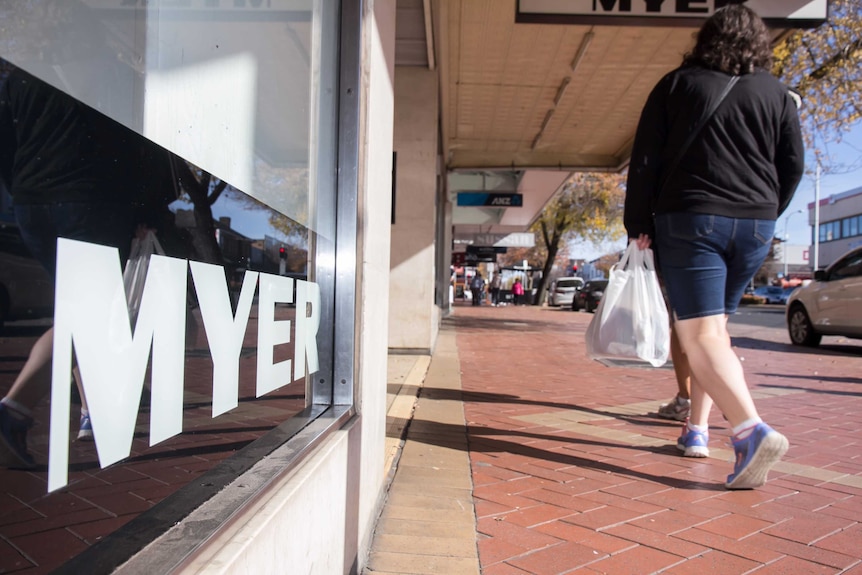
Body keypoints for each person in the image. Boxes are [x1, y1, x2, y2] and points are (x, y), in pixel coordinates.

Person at [624, 5, 804, 489]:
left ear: (706, 38)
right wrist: (765, 212)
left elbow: (645, 160)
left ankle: (750, 429)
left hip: (691, 219)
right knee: (714, 331)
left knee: (698, 334)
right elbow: (793, 166)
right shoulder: (778, 94)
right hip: (755, 226)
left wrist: (638, 222)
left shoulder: (677, 85)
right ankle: (698, 430)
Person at [0, 67, 144, 468]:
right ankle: (15, 409)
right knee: (87, 315)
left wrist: (24, 188)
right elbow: (129, 146)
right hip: (87, 200)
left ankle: (91, 414)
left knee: (78, 311)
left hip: (32, 203)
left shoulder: (21, 75)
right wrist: (144, 207)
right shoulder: (103, 69)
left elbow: (5, 141)